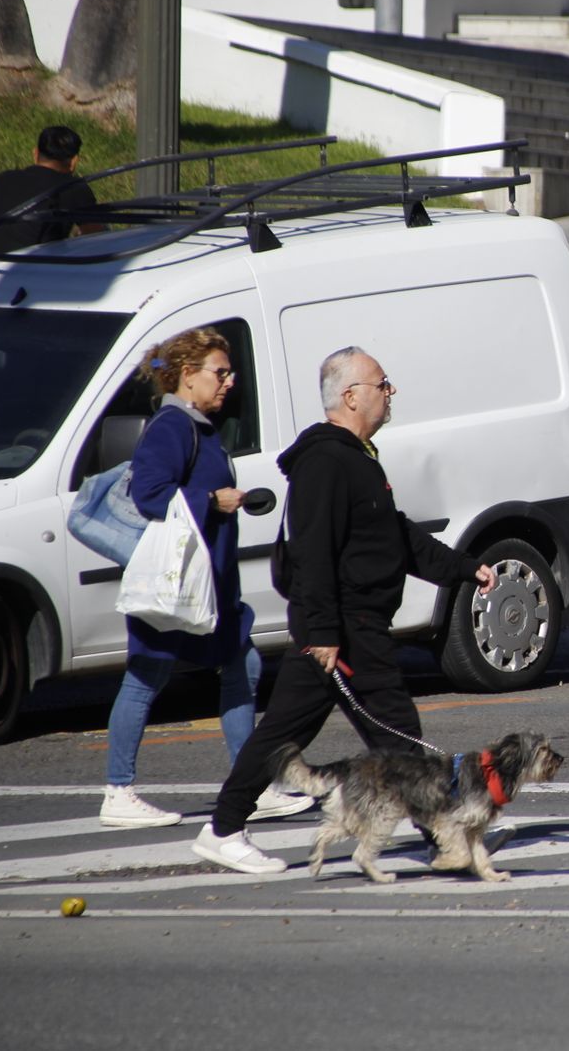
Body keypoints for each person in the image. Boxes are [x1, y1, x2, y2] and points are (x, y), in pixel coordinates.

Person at [192, 346, 498, 874]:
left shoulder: (356, 457)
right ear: (352, 395)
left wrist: (465, 568)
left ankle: (443, 832)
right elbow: (311, 552)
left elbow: (395, 536)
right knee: (384, 734)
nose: (390, 391)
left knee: (373, 733)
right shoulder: (326, 462)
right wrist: (323, 632)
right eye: (382, 383)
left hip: (351, 627)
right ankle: (223, 829)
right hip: (343, 630)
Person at [99, 327, 312, 828]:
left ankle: (252, 783)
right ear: (187, 375)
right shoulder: (174, 426)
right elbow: (149, 494)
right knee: (145, 677)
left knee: (243, 666)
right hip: (181, 582)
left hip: (210, 585)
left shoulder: (196, 424)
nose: (229, 382)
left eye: (228, 372)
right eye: (219, 372)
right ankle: (118, 790)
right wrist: (212, 501)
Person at [0, 125, 102, 256]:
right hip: (30, 270)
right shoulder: (73, 188)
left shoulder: (1, 180)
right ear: (74, 161)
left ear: (35, 153)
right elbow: (96, 239)